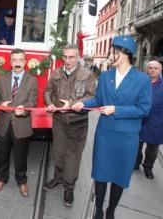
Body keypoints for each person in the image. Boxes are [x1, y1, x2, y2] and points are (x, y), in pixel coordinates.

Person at [72, 36, 152, 219]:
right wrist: (81, 104)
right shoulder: (106, 76)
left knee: (119, 176)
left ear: (126, 54)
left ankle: (111, 210)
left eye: (114, 52)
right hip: (105, 134)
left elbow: (144, 109)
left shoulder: (142, 80)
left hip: (127, 137)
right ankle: (99, 209)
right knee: (101, 173)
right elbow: (98, 101)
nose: (110, 55)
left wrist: (116, 109)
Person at [43, 44, 96, 207]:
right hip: (59, 120)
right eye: (65, 57)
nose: (67, 60)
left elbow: (92, 96)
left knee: (72, 157)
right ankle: (58, 178)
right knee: (58, 153)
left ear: (78, 57)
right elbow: (47, 91)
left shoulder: (87, 75)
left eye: (71, 57)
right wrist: (50, 103)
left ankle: (69, 186)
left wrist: (73, 103)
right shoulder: (56, 72)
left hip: (77, 122)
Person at [0, 48, 38, 197]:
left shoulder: (32, 81)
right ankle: (2, 178)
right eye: (14, 60)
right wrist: (1, 105)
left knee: (21, 155)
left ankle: (22, 181)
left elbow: (33, 102)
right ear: (10, 62)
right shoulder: (2, 78)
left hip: (21, 124)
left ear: (25, 62)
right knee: (2, 154)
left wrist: (24, 110)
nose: (17, 63)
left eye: (20, 60)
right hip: (4, 124)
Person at [135, 61, 163, 179]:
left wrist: (157, 110)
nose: (153, 70)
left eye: (155, 68)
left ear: (160, 70)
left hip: (156, 122)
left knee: (152, 150)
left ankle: (148, 168)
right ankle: (135, 164)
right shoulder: (140, 83)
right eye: (150, 68)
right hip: (140, 120)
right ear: (147, 70)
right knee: (136, 145)